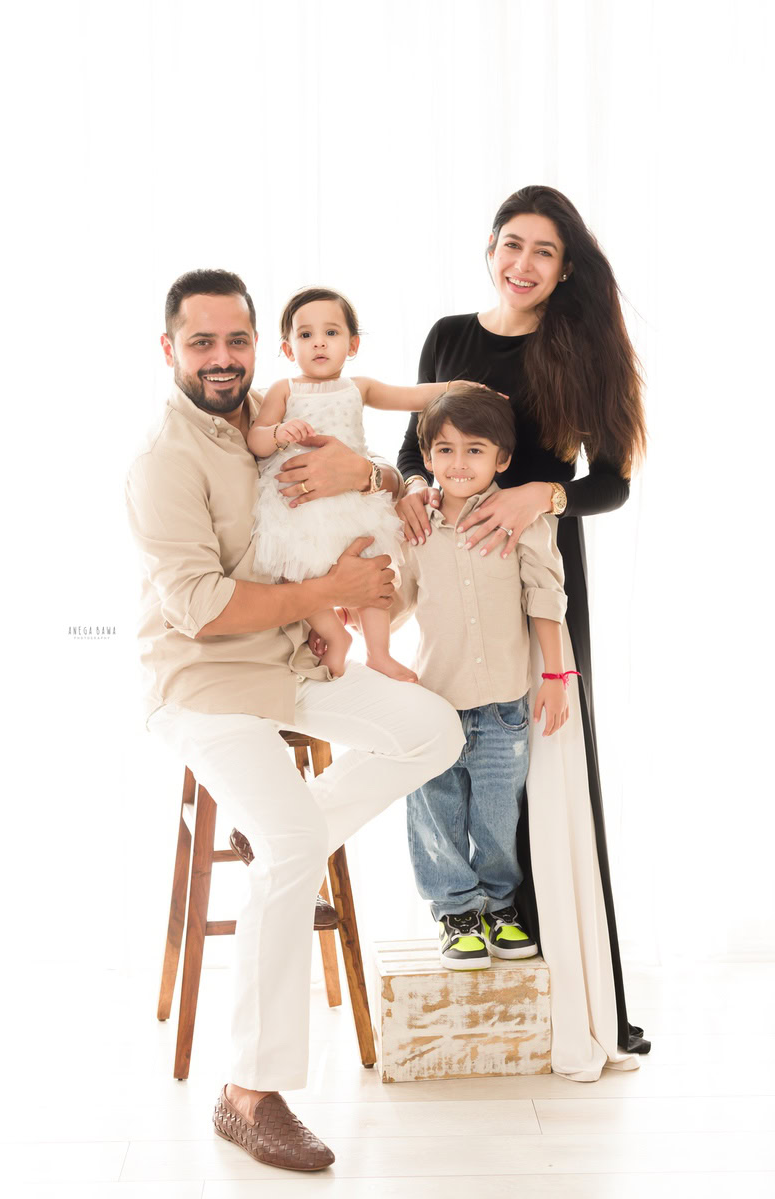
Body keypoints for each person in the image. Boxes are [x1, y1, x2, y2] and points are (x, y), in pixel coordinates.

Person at [125, 269, 464, 1172]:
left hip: (290, 660)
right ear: (171, 351)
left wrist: (385, 476)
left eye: (236, 340)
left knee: (435, 730)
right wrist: (326, 595)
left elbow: (350, 484)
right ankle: (248, 1093)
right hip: (205, 683)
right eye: (202, 343)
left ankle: (293, 842)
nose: (223, 358)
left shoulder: (269, 423)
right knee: (289, 842)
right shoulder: (167, 459)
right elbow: (197, 606)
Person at [397, 185, 649, 1081]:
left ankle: (577, 979)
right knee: (459, 758)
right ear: (490, 248)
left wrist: (535, 493)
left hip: (542, 571)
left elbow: (611, 482)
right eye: (512, 243)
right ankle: (473, 916)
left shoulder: (584, 347)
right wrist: (428, 498)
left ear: (566, 265)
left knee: (547, 765)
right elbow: (408, 453)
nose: (524, 263)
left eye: (544, 250)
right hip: (451, 562)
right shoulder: (447, 337)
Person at [393, 385, 572, 970]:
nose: (458, 463)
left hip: (504, 703)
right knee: (435, 811)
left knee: (499, 815)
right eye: (444, 450)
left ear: (502, 460)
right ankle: (455, 912)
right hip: (435, 699)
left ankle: (499, 905)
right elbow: (399, 596)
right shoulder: (415, 527)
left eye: (475, 450)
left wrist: (554, 675)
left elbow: (545, 597)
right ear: (426, 457)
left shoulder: (522, 520)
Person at [247, 286, 475, 681]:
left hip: (352, 496)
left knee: (374, 571)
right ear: (287, 349)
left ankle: (379, 652)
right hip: (299, 503)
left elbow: (413, 397)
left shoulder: (360, 386)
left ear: (351, 344)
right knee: (299, 573)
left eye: (331, 333)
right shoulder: (285, 389)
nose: (319, 342)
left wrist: (463, 390)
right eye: (305, 335)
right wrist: (280, 432)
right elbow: (256, 438)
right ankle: (335, 636)